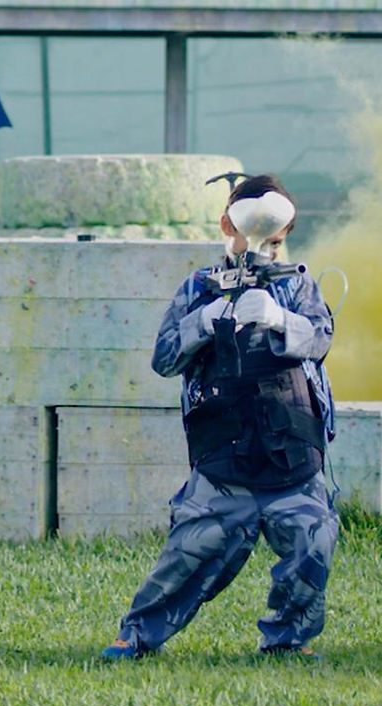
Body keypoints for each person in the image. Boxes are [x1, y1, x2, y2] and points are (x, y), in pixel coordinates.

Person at [100, 173, 338, 661]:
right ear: (226, 224)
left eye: (276, 240)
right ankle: (137, 636)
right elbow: (164, 357)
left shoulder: (296, 285)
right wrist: (205, 322)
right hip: (223, 456)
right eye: (256, 235)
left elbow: (320, 339)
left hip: (290, 453)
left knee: (312, 544)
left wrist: (279, 319)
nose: (266, 250)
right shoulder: (198, 288)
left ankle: (287, 642)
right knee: (188, 555)